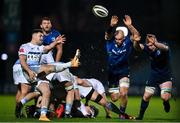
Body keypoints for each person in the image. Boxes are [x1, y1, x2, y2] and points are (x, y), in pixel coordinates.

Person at [15, 29, 79, 121]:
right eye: (40, 36)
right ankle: (71, 63)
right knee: (49, 67)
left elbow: (48, 47)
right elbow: (22, 61)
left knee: (47, 92)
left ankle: (41, 114)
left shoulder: (40, 48)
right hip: (28, 72)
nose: (42, 38)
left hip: (38, 73)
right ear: (34, 36)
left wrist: (56, 42)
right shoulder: (25, 46)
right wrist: (29, 71)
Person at [104, 15, 140, 119]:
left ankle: (121, 114)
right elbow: (107, 34)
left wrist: (130, 26)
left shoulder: (128, 42)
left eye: (120, 39)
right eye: (116, 39)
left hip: (123, 71)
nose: (118, 41)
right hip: (112, 73)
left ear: (123, 38)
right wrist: (111, 25)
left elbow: (136, 36)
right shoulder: (110, 42)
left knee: (123, 93)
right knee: (114, 98)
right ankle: (119, 108)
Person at [134, 34, 173, 120]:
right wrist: (136, 41)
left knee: (164, 97)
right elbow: (138, 47)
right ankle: (140, 116)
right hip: (154, 75)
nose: (151, 47)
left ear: (156, 41)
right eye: (149, 45)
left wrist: (155, 43)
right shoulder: (148, 47)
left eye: (152, 45)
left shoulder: (163, 45)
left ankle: (166, 102)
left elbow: (165, 48)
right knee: (146, 96)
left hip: (165, 75)